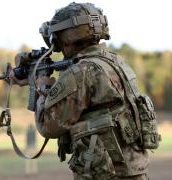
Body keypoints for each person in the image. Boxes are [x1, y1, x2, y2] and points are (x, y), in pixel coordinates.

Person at [11, 2, 160, 180]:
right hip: (133, 171)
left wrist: (42, 88)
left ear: (65, 36)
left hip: (108, 175)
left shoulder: (81, 73)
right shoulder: (114, 62)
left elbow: (48, 126)